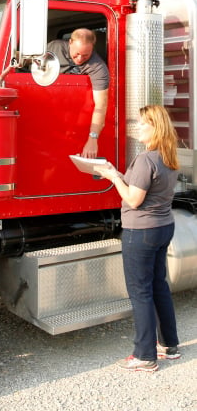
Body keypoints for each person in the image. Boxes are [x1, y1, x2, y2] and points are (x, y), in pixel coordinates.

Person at [94, 105, 181, 372]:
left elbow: (133, 199)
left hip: (140, 233)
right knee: (158, 286)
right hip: (163, 227)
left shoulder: (146, 159)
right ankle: (169, 345)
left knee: (140, 292)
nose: (138, 127)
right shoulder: (168, 157)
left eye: (144, 124)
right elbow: (143, 189)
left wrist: (111, 177)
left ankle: (145, 355)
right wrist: (117, 174)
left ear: (156, 128)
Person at [47, 28, 109, 158]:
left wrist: (92, 139)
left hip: (74, 116)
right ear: (70, 42)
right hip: (48, 109)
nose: (80, 59)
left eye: (86, 55)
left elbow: (100, 106)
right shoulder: (54, 47)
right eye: (77, 54)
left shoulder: (98, 67)